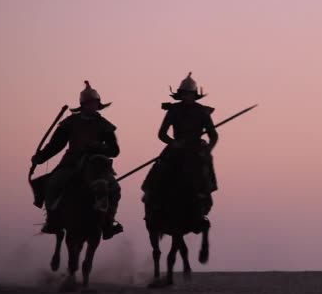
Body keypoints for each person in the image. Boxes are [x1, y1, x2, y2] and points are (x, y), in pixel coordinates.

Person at [31, 81, 123, 240]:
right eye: (89, 104)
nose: (92, 106)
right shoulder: (70, 122)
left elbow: (114, 151)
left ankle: (108, 222)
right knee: (54, 182)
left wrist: (97, 148)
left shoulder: (104, 125)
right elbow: (56, 145)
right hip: (72, 161)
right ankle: (52, 220)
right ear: (83, 105)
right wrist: (41, 157)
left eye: (95, 103)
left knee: (114, 188)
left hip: (97, 164)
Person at [143, 72, 218, 231]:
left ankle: (203, 205)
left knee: (204, 173)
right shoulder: (173, 110)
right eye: (185, 93)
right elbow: (162, 134)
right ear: (181, 94)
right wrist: (174, 143)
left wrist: (207, 151)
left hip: (196, 150)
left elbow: (213, 136)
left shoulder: (202, 112)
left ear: (194, 95)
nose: (187, 96)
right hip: (176, 148)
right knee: (160, 170)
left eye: (190, 94)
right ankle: (153, 200)